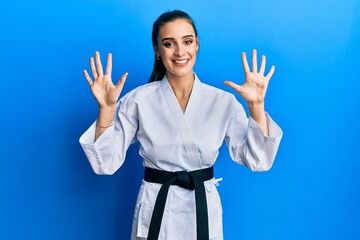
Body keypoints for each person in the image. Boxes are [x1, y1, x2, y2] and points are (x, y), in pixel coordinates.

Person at [80, 10, 282, 240]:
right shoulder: (138, 100)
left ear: (197, 45)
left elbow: (259, 160)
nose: (180, 51)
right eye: (169, 43)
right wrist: (106, 110)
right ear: (157, 50)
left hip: (202, 209)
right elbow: (104, 163)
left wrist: (256, 105)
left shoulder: (223, 101)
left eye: (187, 41)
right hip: (157, 206)